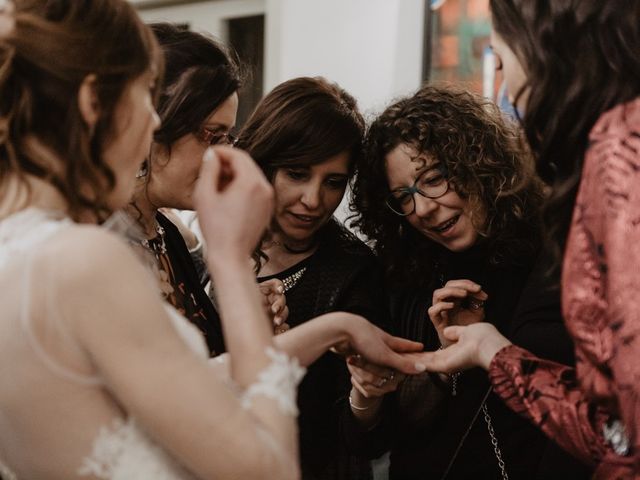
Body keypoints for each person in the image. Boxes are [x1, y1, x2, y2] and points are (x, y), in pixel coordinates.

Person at [0, 1, 428, 478]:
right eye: (146, 98)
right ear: (93, 102)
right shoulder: (84, 258)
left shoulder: (23, 247)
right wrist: (228, 259)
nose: (150, 124)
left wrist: (338, 327)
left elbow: (178, 388)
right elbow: (268, 469)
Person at [408, 1, 640, 478]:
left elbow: (622, 436)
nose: (504, 84)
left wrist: (494, 354)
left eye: (498, 58)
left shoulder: (620, 151)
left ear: (545, 48)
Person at [342, 85, 590, 479]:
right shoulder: (407, 274)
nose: (422, 208)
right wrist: (444, 360)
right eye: (404, 196)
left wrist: (493, 350)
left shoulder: (557, 251)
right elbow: (382, 434)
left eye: (434, 178)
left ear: (477, 160)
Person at [234, 76, 388, 480]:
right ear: (262, 161)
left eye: (334, 182)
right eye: (297, 173)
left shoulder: (351, 272)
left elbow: (361, 440)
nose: (313, 200)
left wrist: (365, 395)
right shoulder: (217, 240)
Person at [128, 23, 286, 356]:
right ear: (155, 126)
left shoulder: (166, 235)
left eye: (228, 138)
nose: (223, 156)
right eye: (211, 136)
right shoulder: (99, 247)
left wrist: (235, 312)